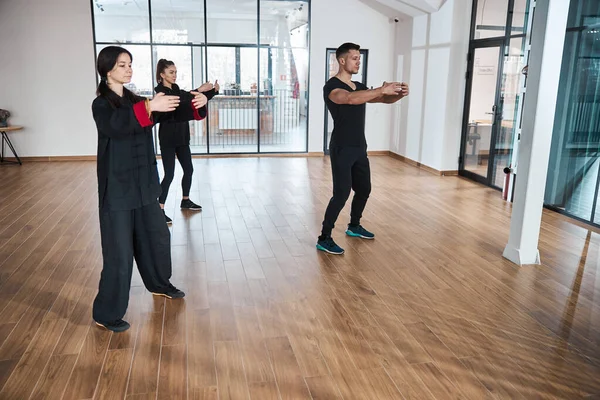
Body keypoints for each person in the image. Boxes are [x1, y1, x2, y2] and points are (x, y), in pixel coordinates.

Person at [91, 46, 208, 332]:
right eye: (121, 65)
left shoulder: (137, 100)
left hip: (144, 186)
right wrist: (149, 108)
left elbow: (170, 112)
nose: (128, 69)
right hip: (117, 189)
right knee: (119, 253)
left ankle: (159, 284)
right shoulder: (102, 105)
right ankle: (106, 313)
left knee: (156, 238)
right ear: (107, 70)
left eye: (129, 64)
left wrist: (201, 100)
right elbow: (117, 126)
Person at [317, 42, 409, 255]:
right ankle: (324, 237)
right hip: (341, 147)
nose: (359, 61)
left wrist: (399, 94)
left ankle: (354, 226)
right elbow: (348, 99)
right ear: (342, 60)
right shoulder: (332, 87)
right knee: (341, 194)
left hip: (359, 147)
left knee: (364, 189)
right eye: (355, 58)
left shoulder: (359, 86)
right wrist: (379, 89)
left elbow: (383, 99)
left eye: (360, 58)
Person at [155, 59, 220, 224]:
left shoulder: (176, 89)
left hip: (182, 137)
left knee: (189, 170)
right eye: (171, 72)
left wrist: (213, 92)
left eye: (176, 72)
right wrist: (199, 90)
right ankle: (159, 209)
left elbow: (191, 99)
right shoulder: (161, 93)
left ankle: (185, 200)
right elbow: (181, 99)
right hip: (168, 138)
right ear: (162, 74)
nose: (174, 75)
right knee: (169, 174)